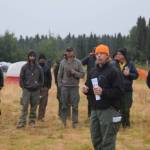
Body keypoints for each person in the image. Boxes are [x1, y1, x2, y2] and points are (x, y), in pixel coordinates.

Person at [82, 44, 123, 150]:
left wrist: (103, 91)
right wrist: (86, 90)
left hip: (109, 110)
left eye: (102, 54)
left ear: (107, 56)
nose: (99, 56)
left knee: (107, 142)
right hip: (95, 110)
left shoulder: (113, 71)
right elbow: (90, 88)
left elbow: (119, 91)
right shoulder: (93, 71)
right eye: (97, 54)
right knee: (96, 139)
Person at [57, 47, 85, 128]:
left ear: (73, 52)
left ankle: (75, 123)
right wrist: (60, 85)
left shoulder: (78, 62)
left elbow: (83, 74)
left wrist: (74, 72)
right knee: (64, 105)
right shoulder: (62, 62)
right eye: (67, 52)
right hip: (64, 87)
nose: (69, 53)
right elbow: (59, 75)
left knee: (75, 106)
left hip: (74, 87)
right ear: (66, 53)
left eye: (70, 51)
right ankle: (63, 122)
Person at [17, 51, 44, 128]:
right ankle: (22, 123)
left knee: (34, 107)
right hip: (26, 90)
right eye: (30, 56)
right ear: (28, 57)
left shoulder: (39, 68)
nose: (32, 57)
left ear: (35, 57)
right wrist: (24, 87)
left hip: (36, 91)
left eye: (33, 56)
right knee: (24, 107)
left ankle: (32, 122)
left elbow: (41, 80)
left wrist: (38, 87)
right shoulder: (24, 67)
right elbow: (21, 78)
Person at [115, 48, 138, 128]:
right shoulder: (114, 64)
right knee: (118, 108)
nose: (118, 55)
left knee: (126, 108)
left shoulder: (130, 64)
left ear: (124, 56)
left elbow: (136, 75)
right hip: (117, 90)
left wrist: (129, 74)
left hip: (127, 90)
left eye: (119, 54)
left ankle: (126, 125)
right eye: (117, 54)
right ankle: (119, 125)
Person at [82, 48, 96, 118]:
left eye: (96, 52)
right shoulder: (89, 58)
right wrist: (88, 56)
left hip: (98, 82)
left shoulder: (101, 59)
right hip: (89, 82)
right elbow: (81, 62)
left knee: (98, 99)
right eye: (94, 52)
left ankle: (96, 114)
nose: (95, 53)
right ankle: (89, 115)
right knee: (90, 99)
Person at [38, 54, 52, 121]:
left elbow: (50, 78)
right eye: (41, 58)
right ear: (39, 60)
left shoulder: (47, 68)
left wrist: (48, 87)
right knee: (35, 103)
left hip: (45, 88)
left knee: (43, 104)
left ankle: (41, 117)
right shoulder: (36, 67)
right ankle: (32, 117)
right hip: (36, 88)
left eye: (43, 59)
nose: (42, 60)